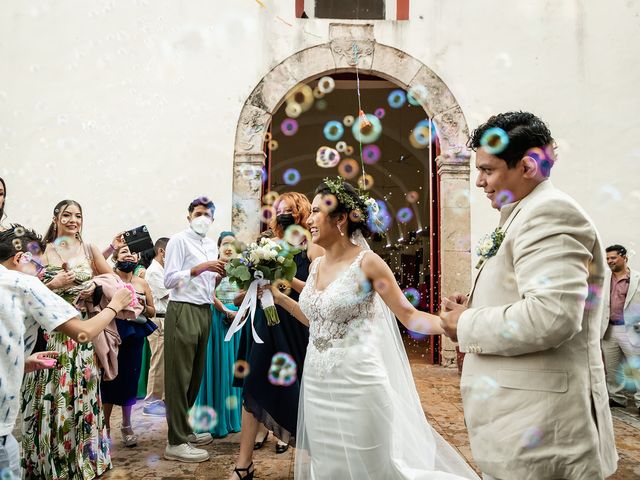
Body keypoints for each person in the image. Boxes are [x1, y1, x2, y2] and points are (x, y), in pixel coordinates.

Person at [439, 111, 618, 479]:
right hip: (520, 423)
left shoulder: (550, 213)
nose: (478, 182)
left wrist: (466, 323)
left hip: (542, 431)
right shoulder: (524, 213)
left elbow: (552, 316)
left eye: (488, 170)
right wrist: (475, 306)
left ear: (527, 166)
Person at [260, 180, 478, 480]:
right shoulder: (315, 266)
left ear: (340, 219)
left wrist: (451, 323)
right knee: (327, 464)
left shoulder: (369, 263)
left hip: (358, 382)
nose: (308, 220)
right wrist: (280, 297)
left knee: (370, 467)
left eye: (315, 212)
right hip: (317, 381)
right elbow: (317, 320)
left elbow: (408, 315)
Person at [0, 225, 132, 479]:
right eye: (38, 267)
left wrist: (23, 362)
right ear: (20, 258)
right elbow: (83, 333)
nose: (39, 274)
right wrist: (115, 306)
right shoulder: (24, 284)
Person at [228, 192, 324, 480]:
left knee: (301, 393)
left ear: (302, 212)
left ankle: (320, 460)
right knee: (252, 388)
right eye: (279, 209)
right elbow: (238, 297)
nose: (283, 214)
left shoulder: (313, 246)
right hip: (263, 327)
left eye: (290, 209)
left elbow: (319, 293)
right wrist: (250, 288)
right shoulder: (263, 245)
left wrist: (281, 277)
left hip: (294, 325)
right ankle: (243, 464)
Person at [163, 196, 226, 462]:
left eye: (208, 215)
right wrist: (198, 269)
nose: (203, 218)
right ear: (189, 215)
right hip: (183, 309)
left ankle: (185, 429)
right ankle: (175, 442)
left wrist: (218, 277)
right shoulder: (178, 240)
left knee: (195, 375)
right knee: (179, 376)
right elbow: (169, 280)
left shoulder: (211, 244)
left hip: (204, 310)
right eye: (198, 213)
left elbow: (209, 283)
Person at [100, 245, 157, 446]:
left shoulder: (142, 282)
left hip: (134, 334)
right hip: (112, 332)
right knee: (108, 379)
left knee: (130, 379)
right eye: (124, 252)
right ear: (115, 257)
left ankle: (126, 424)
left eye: (133, 252)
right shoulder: (109, 278)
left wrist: (140, 304)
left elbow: (152, 311)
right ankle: (104, 425)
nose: (129, 255)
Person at [193, 231, 243, 437]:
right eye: (225, 244)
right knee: (217, 366)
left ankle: (232, 418)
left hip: (238, 320)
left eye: (232, 244)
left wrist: (239, 313)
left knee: (233, 368)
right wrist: (225, 311)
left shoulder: (242, 270)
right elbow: (208, 294)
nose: (229, 248)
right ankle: (212, 420)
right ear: (219, 247)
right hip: (217, 318)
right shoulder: (213, 268)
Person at [601, 244, 640, 414]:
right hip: (609, 329)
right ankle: (617, 398)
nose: (609, 261)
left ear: (624, 257)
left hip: (631, 329)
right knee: (612, 367)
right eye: (607, 258)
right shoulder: (603, 279)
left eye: (613, 258)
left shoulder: (637, 278)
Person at [142, 237, 170, 417]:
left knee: (165, 361)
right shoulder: (153, 271)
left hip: (167, 318)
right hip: (159, 319)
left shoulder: (163, 269)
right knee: (158, 360)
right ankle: (151, 401)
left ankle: (164, 399)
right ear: (161, 251)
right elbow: (167, 293)